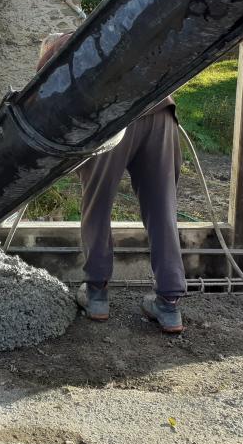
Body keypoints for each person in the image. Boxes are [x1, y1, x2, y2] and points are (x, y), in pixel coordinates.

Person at [37, 33, 187, 333]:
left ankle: (96, 295)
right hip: (159, 113)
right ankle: (169, 305)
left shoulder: (54, 53)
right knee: (162, 211)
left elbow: (47, 101)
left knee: (97, 204)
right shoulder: (109, 36)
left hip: (112, 120)